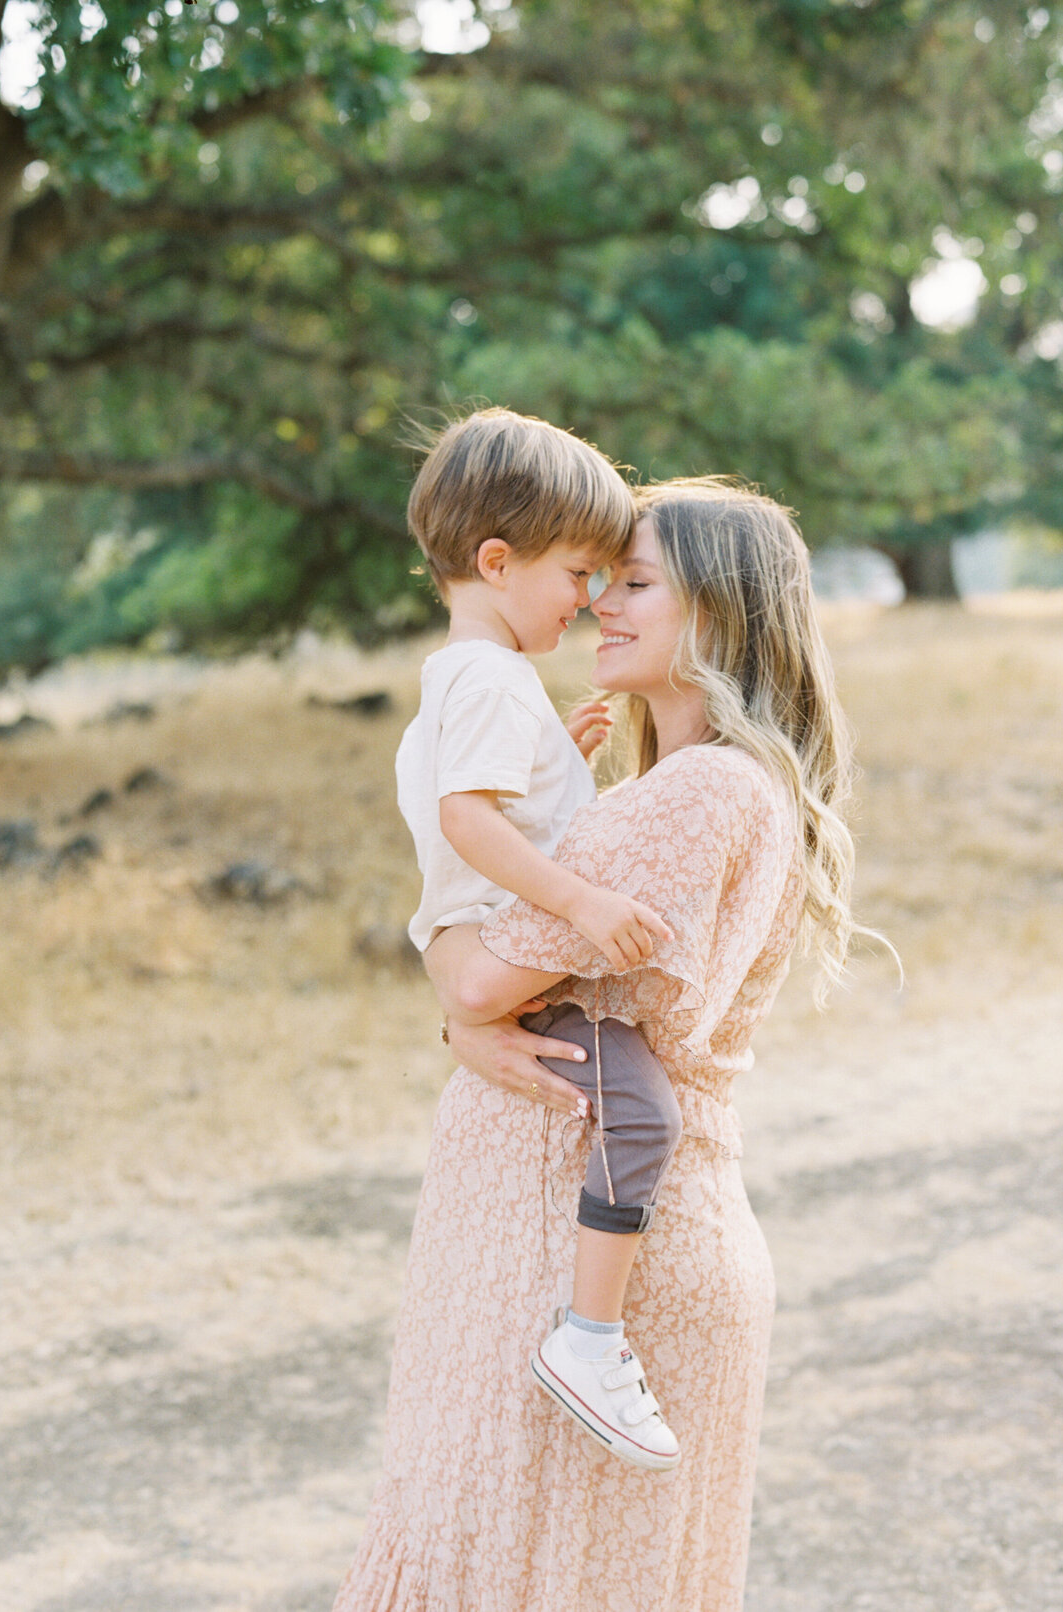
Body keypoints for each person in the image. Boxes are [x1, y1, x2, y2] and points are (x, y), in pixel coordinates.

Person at [335, 477, 877, 1612]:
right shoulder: (698, 789)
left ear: (720, 613)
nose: (597, 607)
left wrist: (458, 1012)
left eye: (633, 584)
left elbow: (484, 976)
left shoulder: (689, 796)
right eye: (594, 581)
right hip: (605, 1237)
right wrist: (465, 1018)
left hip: (583, 1262)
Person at [395, 407, 691, 1471]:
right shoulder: (483, 676)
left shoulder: (478, 683)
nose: (592, 596)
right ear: (494, 559)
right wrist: (580, 903)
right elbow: (468, 821)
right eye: (577, 572)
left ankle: (588, 1330)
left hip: (476, 936)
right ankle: (590, 1339)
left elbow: (478, 807)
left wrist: (554, 759)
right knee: (643, 1115)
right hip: (502, 940)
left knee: (627, 1105)